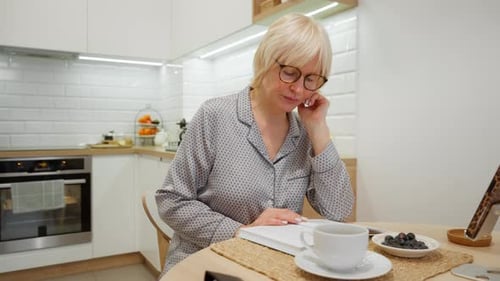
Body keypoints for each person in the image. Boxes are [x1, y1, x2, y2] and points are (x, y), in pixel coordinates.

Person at [155, 12, 354, 275]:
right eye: (290, 72)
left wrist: (318, 129)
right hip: (206, 264)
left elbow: (338, 211)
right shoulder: (215, 116)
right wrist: (240, 232)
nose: (298, 89)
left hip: (271, 268)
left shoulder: (305, 134)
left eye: (311, 79)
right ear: (265, 60)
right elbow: (171, 200)